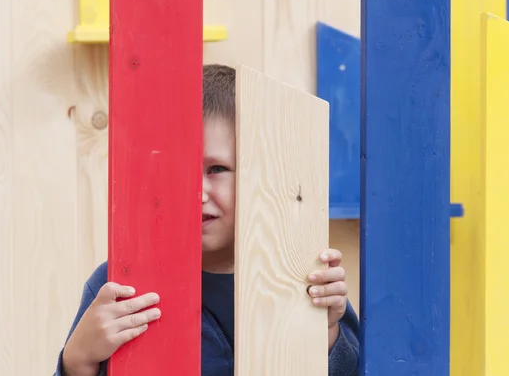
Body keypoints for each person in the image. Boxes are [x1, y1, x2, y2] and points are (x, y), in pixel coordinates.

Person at [54, 64, 360, 376]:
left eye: (216, 170)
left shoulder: (307, 276)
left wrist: (329, 334)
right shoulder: (118, 285)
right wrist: (78, 360)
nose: (196, 192)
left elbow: (353, 369)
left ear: (260, 172)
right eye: (180, 170)